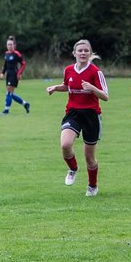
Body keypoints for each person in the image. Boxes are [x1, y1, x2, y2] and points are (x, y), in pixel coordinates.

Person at [46, 40, 108, 197]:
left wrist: (92, 88)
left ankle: (92, 186)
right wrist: (56, 88)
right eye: (80, 50)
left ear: (90, 53)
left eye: (86, 51)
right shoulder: (68, 70)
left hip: (91, 116)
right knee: (65, 145)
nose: (83, 53)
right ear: (74, 53)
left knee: (89, 157)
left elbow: (105, 96)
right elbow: (67, 85)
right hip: (73, 113)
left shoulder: (95, 72)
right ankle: (73, 168)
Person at [0, 35, 30, 115]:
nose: (9, 46)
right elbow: (5, 65)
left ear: (14, 45)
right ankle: (25, 104)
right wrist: (2, 72)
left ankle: (6, 110)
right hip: (8, 75)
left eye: (11, 44)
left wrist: (19, 73)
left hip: (14, 75)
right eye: (8, 44)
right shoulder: (6, 54)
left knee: (9, 92)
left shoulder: (16, 54)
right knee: (10, 93)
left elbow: (23, 64)